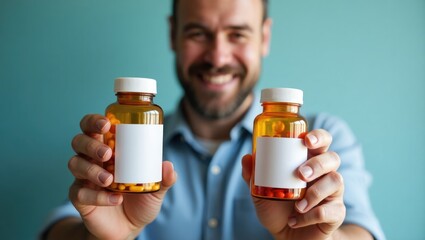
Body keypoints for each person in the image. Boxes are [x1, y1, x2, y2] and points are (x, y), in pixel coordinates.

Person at [40, 0, 385, 239]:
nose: (218, 57)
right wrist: (100, 238)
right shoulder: (123, 138)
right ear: (172, 35)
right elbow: (59, 227)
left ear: (264, 37)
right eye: (198, 33)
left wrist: (322, 237)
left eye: (237, 34)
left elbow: (362, 231)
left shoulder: (319, 140)